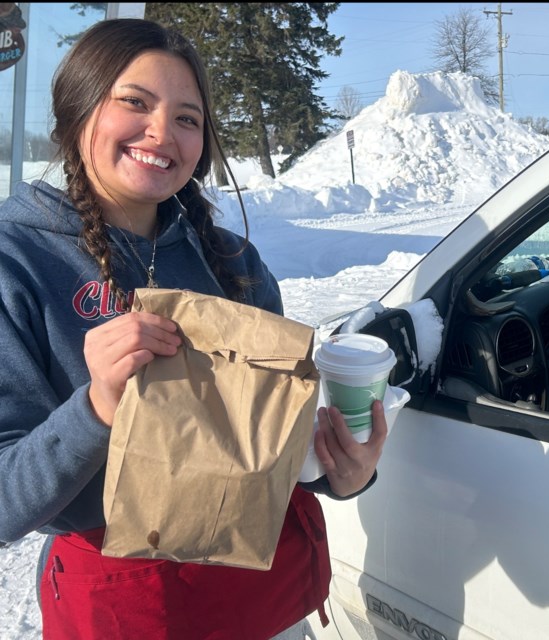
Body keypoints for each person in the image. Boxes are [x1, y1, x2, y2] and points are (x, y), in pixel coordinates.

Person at [0, 19, 385, 639]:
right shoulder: (16, 262)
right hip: (128, 607)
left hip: (266, 600)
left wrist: (341, 469)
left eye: (187, 117)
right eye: (135, 102)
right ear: (77, 110)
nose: (162, 133)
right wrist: (97, 406)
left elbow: (269, 442)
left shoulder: (233, 261)